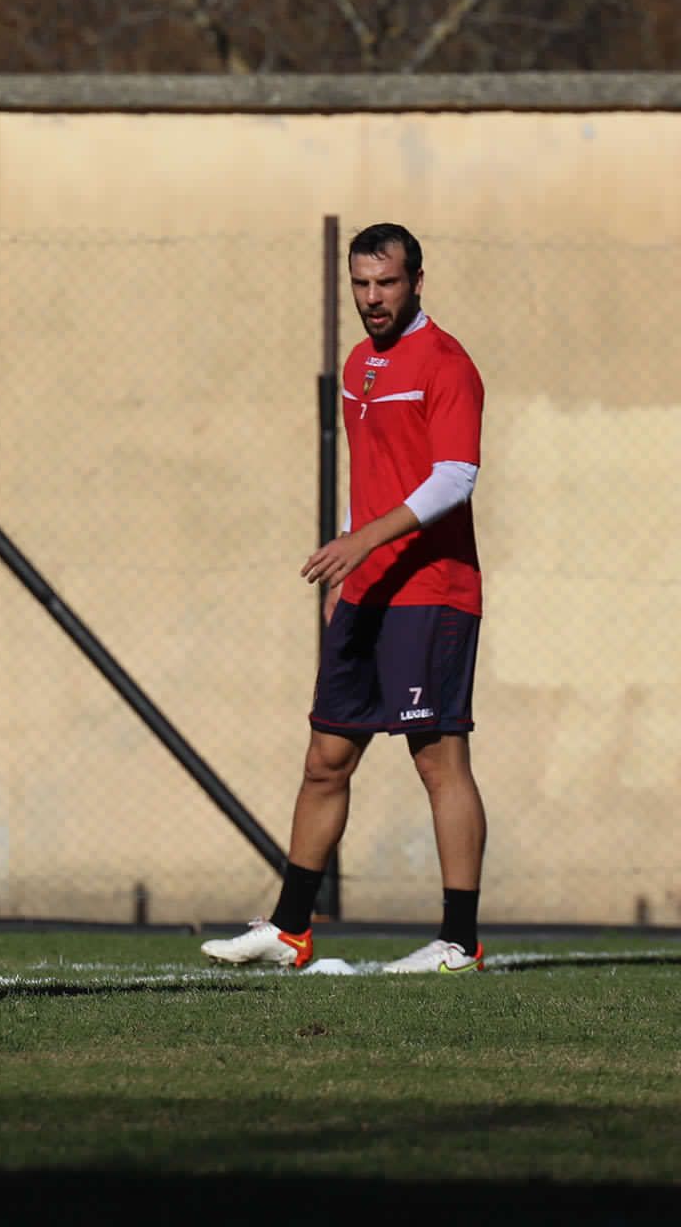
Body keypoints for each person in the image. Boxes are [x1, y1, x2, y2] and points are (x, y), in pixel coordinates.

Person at [204, 223, 488, 974]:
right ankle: (291, 929)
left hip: (432, 590)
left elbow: (455, 476)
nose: (371, 299)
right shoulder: (360, 363)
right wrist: (347, 555)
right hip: (367, 591)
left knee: (438, 759)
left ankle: (460, 941)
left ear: (417, 281)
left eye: (386, 284)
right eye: (361, 285)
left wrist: (365, 542)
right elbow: (370, 476)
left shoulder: (448, 364)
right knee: (326, 759)